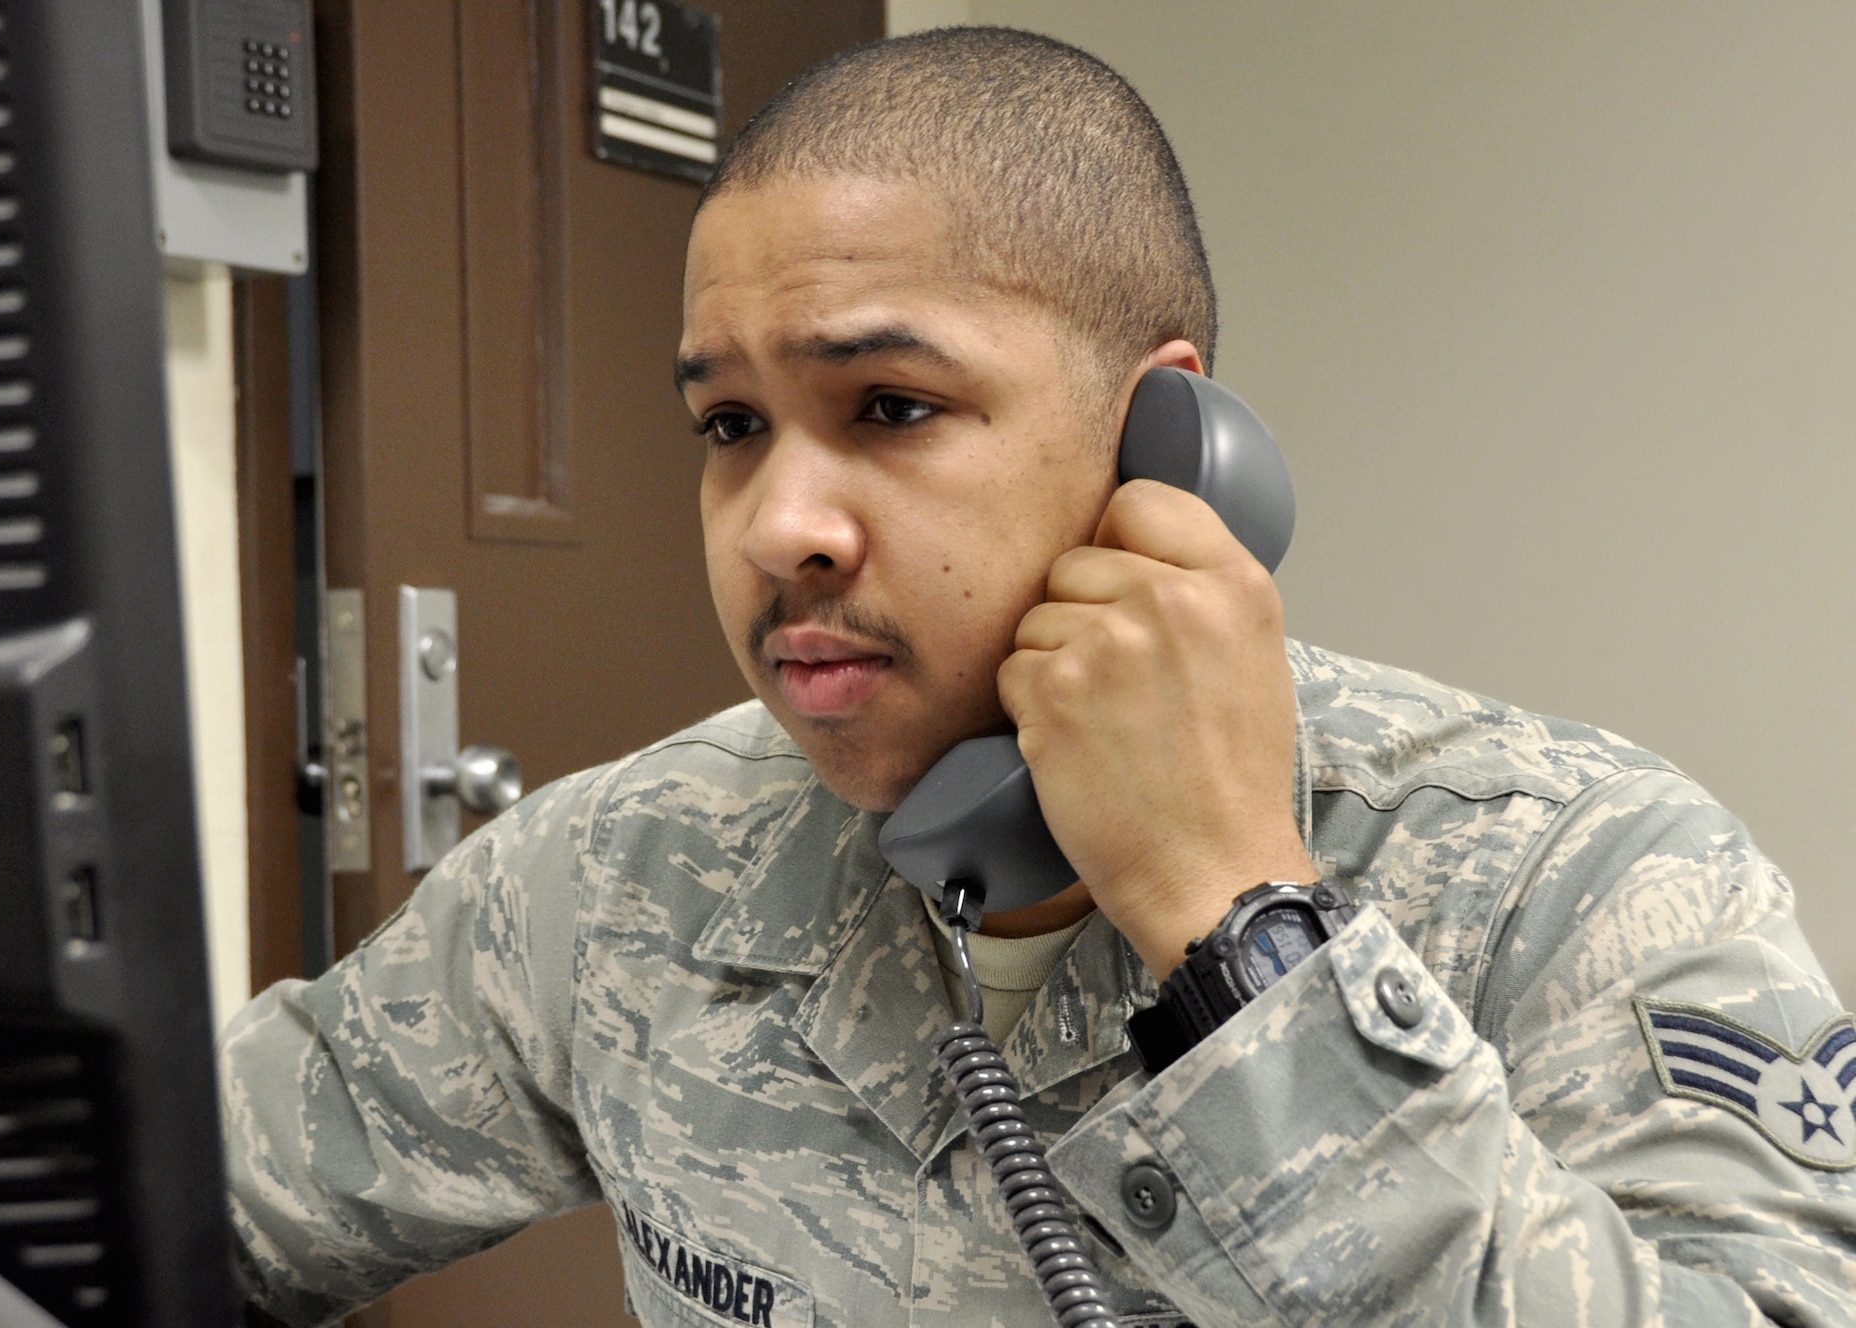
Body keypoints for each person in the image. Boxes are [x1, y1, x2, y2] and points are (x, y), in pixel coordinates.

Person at [223, 27, 1856, 1328]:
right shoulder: (624, 874)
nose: (776, 525)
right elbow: (186, 1206)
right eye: (729, 427)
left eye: (889, 406)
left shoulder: (1572, 878)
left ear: (1166, 444)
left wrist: (1238, 936)